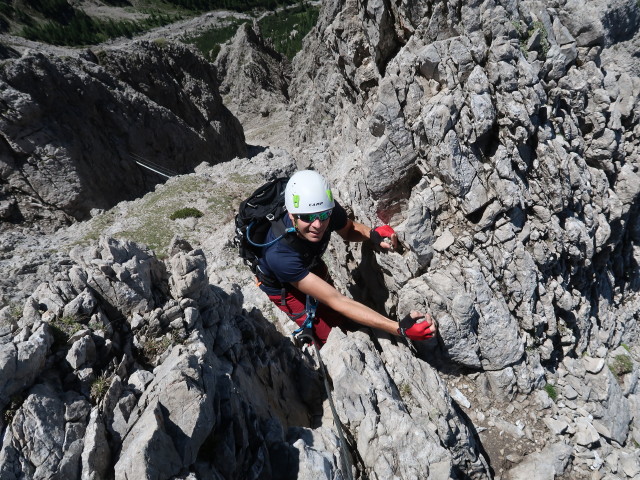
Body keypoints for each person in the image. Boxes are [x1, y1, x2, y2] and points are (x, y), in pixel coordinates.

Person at [255, 170, 436, 346]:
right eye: (308, 217)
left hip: (308, 261)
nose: (318, 224)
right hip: (282, 285)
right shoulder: (278, 255)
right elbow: (338, 300)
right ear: (291, 215)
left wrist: (371, 234)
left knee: (337, 316)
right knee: (327, 337)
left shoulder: (326, 209)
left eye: (323, 215)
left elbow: (348, 230)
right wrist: (399, 328)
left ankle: (346, 323)